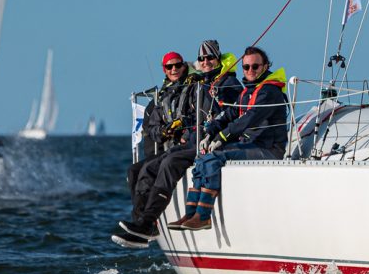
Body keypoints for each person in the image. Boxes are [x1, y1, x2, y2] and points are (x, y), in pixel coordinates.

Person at [112, 40, 241, 249]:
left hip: (207, 142)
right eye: (202, 58)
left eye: (210, 58)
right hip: (187, 142)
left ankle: (146, 223)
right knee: (141, 169)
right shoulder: (191, 87)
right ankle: (143, 225)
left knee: (168, 163)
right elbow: (158, 124)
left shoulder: (221, 84)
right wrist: (171, 131)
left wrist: (199, 134)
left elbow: (227, 114)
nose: (206, 61)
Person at [174, 46, 288, 231]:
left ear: (265, 66)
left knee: (213, 158)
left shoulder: (269, 92)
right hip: (250, 144)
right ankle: (190, 213)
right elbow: (230, 114)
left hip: (269, 149)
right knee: (202, 158)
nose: (250, 71)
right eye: (246, 67)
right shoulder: (247, 92)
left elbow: (249, 118)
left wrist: (222, 136)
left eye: (255, 66)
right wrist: (210, 132)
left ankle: (203, 217)